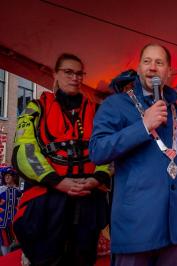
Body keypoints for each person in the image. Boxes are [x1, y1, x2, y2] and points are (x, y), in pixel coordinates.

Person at [89, 43, 177, 266]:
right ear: (138, 68)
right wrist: (143, 126)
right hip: (136, 229)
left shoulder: (175, 111)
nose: (152, 67)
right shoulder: (116, 105)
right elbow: (98, 151)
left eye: (159, 62)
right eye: (147, 61)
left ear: (169, 72)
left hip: (174, 228)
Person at [12, 53, 111, 265]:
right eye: (68, 72)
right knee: (47, 258)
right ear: (55, 73)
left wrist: (98, 178)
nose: (74, 77)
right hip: (48, 203)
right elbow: (24, 151)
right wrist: (58, 182)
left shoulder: (97, 111)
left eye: (79, 73)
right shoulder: (35, 108)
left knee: (84, 258)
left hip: (88, 200)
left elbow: (108, 149)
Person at [0, 168, 22, 255]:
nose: (7, 177)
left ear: (13, 177)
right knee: (4, 242)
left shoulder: (18, 191)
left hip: (12, 222)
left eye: (9, 175)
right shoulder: (1, 189)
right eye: (5, 176)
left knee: (10, 242)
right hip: (2, 222)